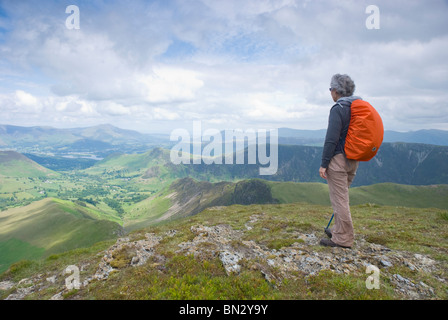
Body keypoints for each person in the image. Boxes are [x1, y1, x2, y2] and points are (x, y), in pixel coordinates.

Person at [319, 74, 361, 249]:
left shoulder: (338, 108)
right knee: (341, 197)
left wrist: (324, 164)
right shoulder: (355, 107)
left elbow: (331, 139)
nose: (330, 93)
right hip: (353, 158)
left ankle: (342, 239)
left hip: (338, 159)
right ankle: (338, 229)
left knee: (339, 199)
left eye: (330, 89)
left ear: (336, 90)